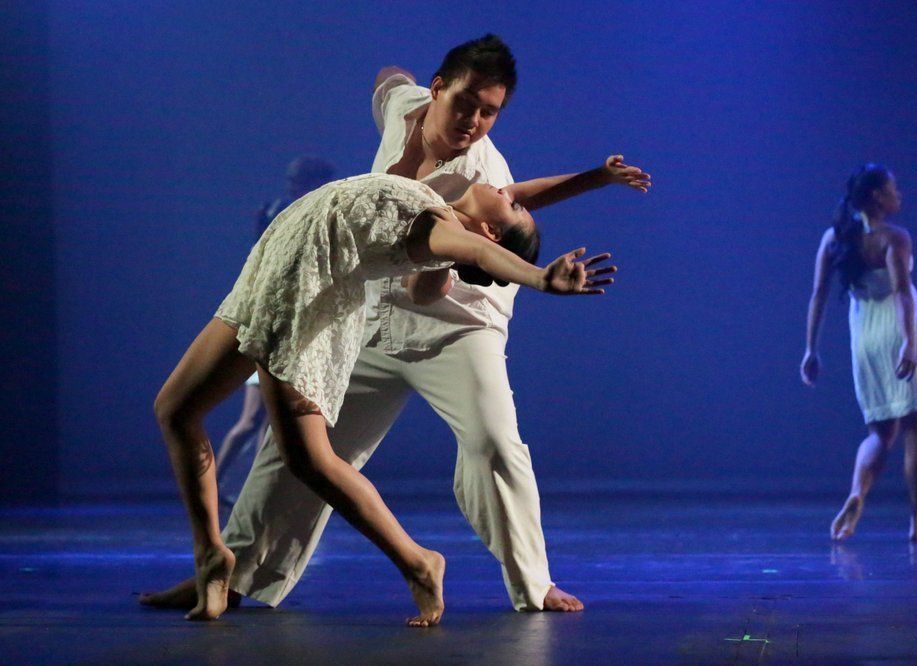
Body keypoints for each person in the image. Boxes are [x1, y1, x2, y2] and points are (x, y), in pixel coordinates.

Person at [141, 34, 650, 616]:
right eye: (467, 104)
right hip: (367, 312)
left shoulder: (478, 170)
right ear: (437, 89)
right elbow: (390, 78)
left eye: (490, 113)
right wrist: (595, 176)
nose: (475, 122)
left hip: (459, 325)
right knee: (296, 451)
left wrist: (536, 275)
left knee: (492, 443)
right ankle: (230, 573)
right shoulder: (406, 107)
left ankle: (531, 583)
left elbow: (484, 240)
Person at [153, 169, 617, 624]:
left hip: (301, 300)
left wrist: (539, 278)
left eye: (513, 206)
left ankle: (418, 562)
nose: (508, 189)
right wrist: (597, 176)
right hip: (266, 277)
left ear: (492, 230)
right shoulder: (441, 207)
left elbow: (479, 250)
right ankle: (211, 556)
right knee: (175, 411)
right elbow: (489, 219)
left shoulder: (443, 234)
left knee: (309, 461)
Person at [800, 164, 917, 542]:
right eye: (893, 189)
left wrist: (811, 349)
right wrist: (908, 342)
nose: (898, 195)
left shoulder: (834, 238)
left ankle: (857, 492)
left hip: (864, 334)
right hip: (899, 328)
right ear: (876, 196)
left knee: (880, 433)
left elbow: (818, 295)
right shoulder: (894, 237)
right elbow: (902, 292)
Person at [215, 157, 335, 505]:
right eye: (291, 179)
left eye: (299, 179)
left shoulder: (320, 212)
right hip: (271, 324)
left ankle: (258, 491)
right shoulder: (275, 211)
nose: (293, 185)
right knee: (254, 420)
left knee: (276, 423)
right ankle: (217, 482)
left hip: (298, 325)